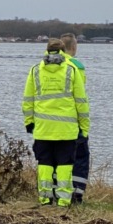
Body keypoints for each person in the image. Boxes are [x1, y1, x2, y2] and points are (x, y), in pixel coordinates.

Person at [23, 38, 90, 208]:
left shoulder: (35, 70)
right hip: (66, 128)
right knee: (65, 165)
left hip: (43, 127)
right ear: (63, 50)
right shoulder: (72, 70)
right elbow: (81, 102)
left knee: (44, 163)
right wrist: (84, 127)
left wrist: (29, 121)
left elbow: (28, 100)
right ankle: (63, 199)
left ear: (46, 50)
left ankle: (45, 198)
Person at [60, 33, 90, 203]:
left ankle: (57, 191)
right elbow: (80, 94)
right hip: (73, 119)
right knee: (80, 156)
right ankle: (77, 193)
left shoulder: (46, 65)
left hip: (51, 122)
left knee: (58, 157)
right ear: (73, 47)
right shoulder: (76, 66)